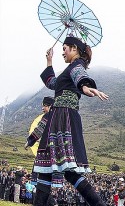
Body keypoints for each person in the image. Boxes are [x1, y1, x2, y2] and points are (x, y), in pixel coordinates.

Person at [25, 36, 109, 206]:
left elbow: (80, 77)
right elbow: (53, 83)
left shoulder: (76, 66)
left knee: (68, 171)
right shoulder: (68, 70)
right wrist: (49, 62)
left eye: (65, 48)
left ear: (74, 49)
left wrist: (85, 86)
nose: (62, 52)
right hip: (58, 118)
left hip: (64, 119)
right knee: (47, 169)